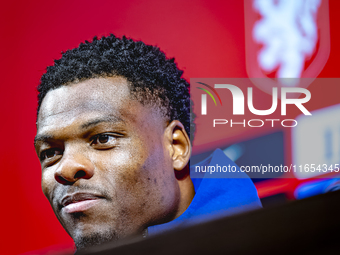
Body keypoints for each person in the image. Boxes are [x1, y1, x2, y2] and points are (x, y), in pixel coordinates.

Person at [34, 34, 261, 251]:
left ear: (176, 147)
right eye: (51, 152)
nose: (66, 168)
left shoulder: (273, 243)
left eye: (103, 139)